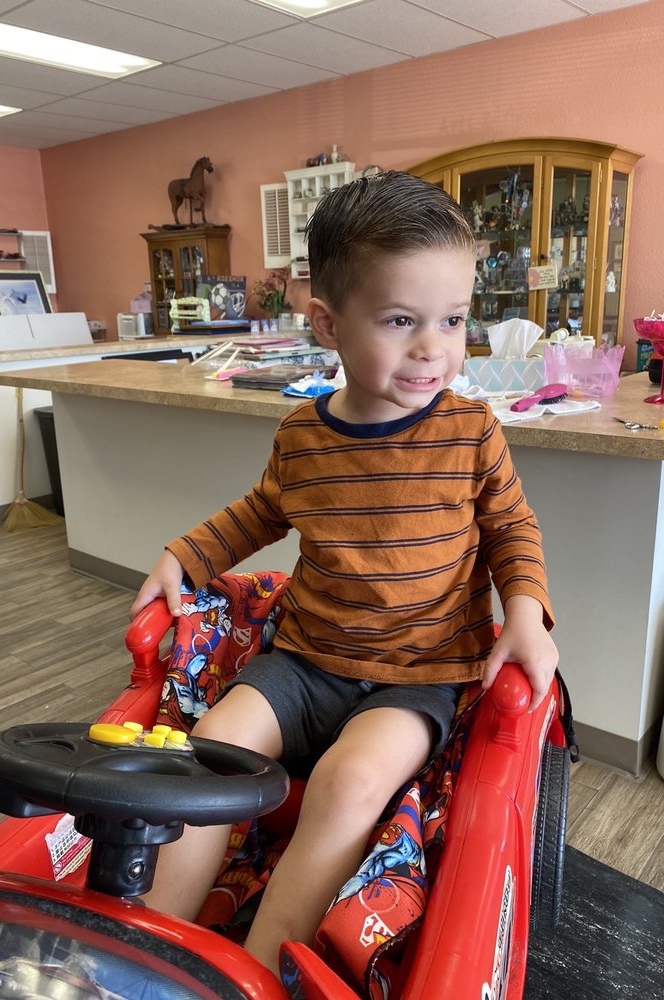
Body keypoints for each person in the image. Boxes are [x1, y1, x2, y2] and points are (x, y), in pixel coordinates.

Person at [130, 170, 558, 977]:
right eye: (400, 320)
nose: (434, 347)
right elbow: (261, 513)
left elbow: (511, 528)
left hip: (417, 675)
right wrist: (185, 554)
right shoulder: (303, 436)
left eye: (453, 319)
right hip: (303, 663)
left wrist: (528, 612)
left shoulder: (472, 430)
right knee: (210, 746)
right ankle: (151, 955)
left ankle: (252, 977)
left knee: (349, 783)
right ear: (327, 323)